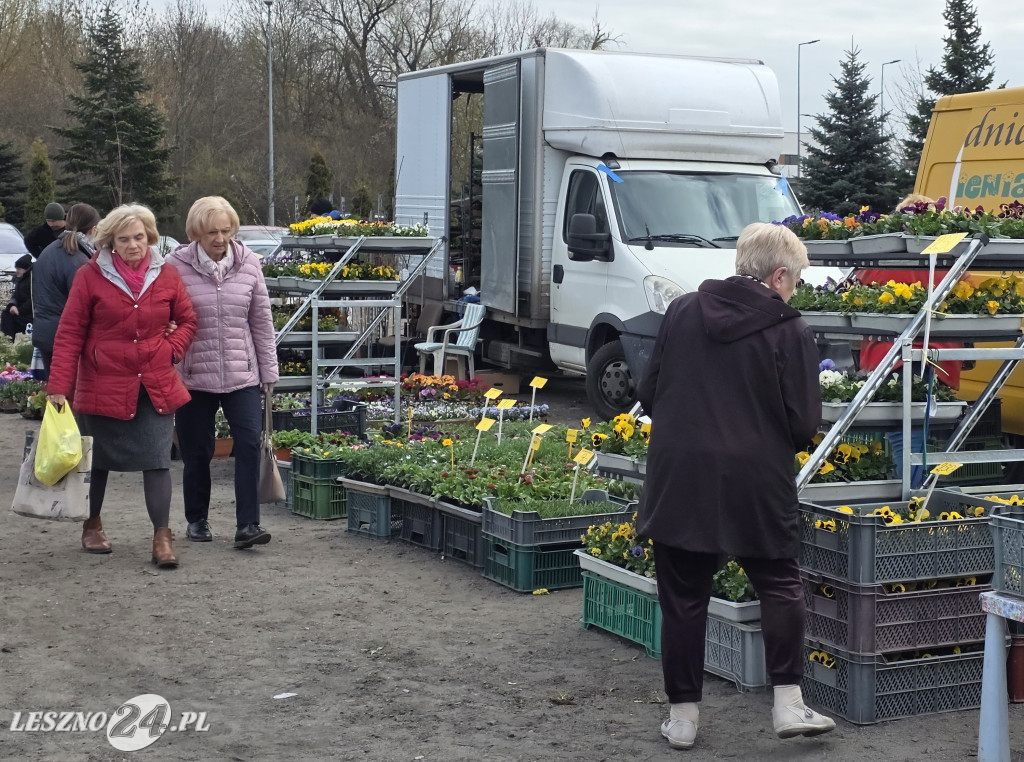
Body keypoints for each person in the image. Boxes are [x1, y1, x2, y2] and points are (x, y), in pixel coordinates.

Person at [636, 222, 833, 750]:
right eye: (798, 279)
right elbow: (802, 424)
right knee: (779, 583)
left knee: (682, 597)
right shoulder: (789, 329)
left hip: (681, 475)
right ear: (779, 274)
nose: (796, 290)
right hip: (756, 476)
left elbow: (648, 389)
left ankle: (682, 720)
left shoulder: (681, 311)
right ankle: (788, 704)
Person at [46, 204, 197, 568]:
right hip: (103, 382)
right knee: (97, 461)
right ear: (110, 242)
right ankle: (92, 525)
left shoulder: (167, 275)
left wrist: (170, 350)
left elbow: (188, 319)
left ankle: (162, 536)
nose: (133, 246)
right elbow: (69, 334)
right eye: (125, 239)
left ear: (150, 238)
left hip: (153, 383)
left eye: (140, 238)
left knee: (158, 460)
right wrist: (58, 388)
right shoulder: (89, 276)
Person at [167, 196, 278, 549]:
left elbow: (261, 321)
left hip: (241, 374)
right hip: (193, 375)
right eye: (212, 231)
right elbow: (162, 317)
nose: (220, 238)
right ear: (196, 233)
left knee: (247, 444)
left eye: (226, 230)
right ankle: (197, 519)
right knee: (197, 451)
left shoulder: (249, 265)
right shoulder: (175, 266)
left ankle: (248, 524)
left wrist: (268, 371)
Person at [31, 203, 101, 371]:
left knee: (56, 393)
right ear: (93, 229)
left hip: (45, 331)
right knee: (73, 393)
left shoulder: (49, 250)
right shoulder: (78, 259)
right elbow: (84, 304)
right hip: (67, 337)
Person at [1, 254, 33, 340]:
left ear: (25, 270)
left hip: (29, 314)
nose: (16, 271)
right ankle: (8, 340)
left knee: (8, 318)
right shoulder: (20, 280)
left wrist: (19, 311)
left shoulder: (32, 280)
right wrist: (12, 305)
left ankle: (8, 341)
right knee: (6, 314)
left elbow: (33, 300)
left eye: (19, 269)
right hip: (19, 311)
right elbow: (15, 295)